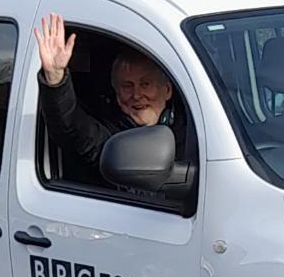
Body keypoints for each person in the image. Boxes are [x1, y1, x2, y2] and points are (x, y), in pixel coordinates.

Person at [34, 13, 183, 171]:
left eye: (145, 84)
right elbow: (71, 128)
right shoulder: (111, 140)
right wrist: (56, 78)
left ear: (167, 90)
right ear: (117, 95)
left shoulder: (195, 130)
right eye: (127, 86)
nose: (137, 95)